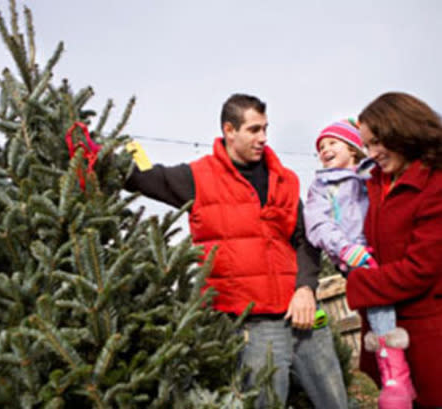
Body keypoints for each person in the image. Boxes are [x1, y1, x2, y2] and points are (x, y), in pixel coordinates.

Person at [125, 93, 348, 408]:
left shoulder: (285, 180)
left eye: (265, 129)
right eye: (254, 130)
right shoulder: (197, 178)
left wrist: (305, 289)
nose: (263, 138)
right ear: (229, 130)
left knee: (337, 402)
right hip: (254, 324)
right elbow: (142, 178)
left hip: (305, 313)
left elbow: (305, 238)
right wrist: (93, 152)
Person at [303, 119, 416, 408]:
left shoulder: (371, 174)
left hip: (388, 246)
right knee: (379, 301)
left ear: (353, 148)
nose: (325, 150)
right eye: (320, 147)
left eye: (332, 143)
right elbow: (318, 223)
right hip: (355, 254)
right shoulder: (321, 186)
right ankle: (394, 374)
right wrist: (345, 249)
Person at [345, 92, 442, 409]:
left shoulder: (434, 184)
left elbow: (420, 268)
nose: (372, 153)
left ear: (401, 131)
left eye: (377, 142)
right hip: (386, 328)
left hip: (427, 333)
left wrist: (359, 284)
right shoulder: (374, 184)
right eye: (367, 145)